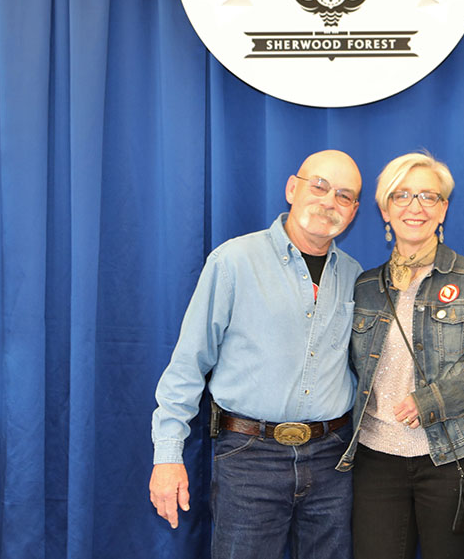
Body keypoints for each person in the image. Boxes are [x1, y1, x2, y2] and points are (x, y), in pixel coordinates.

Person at [149, 149, 363, 559]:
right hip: (250, 459)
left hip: (332, 463)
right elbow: (189, 364)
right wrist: (168, 455)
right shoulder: (234, 261)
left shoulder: (355, 276)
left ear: (353, 211)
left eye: (343, 195)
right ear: (292, 188)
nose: (328, 201)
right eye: (319, 186)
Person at [337, 152, 464, 559]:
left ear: (443, 209)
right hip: (375, 461)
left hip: (453, 455)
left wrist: (441, 398)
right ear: (385, 210)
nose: (415, 207)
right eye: (402, 195)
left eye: (428, 196)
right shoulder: (364, 287)